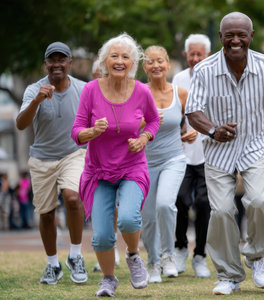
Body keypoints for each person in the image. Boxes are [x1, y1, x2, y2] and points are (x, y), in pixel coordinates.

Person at [186, 12, 264, 295]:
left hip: (255, 145)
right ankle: (229, 274)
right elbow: (193, 111)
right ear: (220, 38)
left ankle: (256, 258)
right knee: (221, 211)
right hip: (218, 150)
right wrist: (212, 131)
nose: (235, 40)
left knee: (259, 201)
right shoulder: (205, 70)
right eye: (229, 35)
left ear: (251, 36)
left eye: (241, 35)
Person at [71, 33, 160, 297]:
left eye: (125, 57)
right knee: (100, 237)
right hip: (98, 172)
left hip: (132, 168)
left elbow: (154, 121)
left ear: (132, 62)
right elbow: (76, 132)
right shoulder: (90, 90)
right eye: (114, 56)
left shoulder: (142, 91)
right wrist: (91, 132)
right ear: (104, 61)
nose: (119, 61)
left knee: (130, 219)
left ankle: (133, 256)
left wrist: (144, 138)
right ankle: (108, 279)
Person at [16, 41, 88, 285]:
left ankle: (76, 256)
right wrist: (37, 100)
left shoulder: (83, 88)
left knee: (72, 198)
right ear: (45, 64)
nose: (56, 64)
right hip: (42, 158)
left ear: (69, 63)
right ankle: (52, 265)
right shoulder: (32, 90)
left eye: (61, 59)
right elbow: (20, 124)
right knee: (46, 215)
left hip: (73, 153)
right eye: (51, 60)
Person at [141, 45, 190, 283]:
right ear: (144, 67)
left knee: (164, 205)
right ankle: (152, 262)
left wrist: (193, 133)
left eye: (160, 61)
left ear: (168, 64)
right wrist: (143, 121)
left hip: (174, 158)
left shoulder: (180, 93)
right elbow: (126, 124)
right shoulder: (139, 93)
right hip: (144, 161)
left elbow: (194, 120)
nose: (156, 65)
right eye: (150, 62)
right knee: (148, 215)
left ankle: (168, 256)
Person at [172, 34, 212, 278]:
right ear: (186, 55)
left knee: (205, 204)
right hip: (183, 154)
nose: (195, 58)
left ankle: (200, 255)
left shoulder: (215, 79)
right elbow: (174, 115)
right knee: (179, 201)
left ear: (207, 55)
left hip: (208, 154)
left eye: (200, 54)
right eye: (192, 54)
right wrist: (181, 131)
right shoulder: (178, 79)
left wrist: (203, 130)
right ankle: (179, 248)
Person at [89, 59, 122, 272]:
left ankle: (115, 246)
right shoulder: (89, 92)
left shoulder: (124, 92)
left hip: (121, 159)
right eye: (99, 73)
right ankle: (107, 247)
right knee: (99, 206)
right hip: (94, 159)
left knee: (119, 208)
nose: (102, 76)